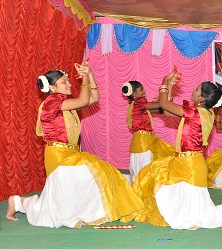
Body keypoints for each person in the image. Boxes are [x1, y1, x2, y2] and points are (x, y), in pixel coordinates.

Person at [5, 63, 143, 227]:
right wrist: (84, 77)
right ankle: (19, 202)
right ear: (51, 87)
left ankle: (18, 202)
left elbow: (93, 98)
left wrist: (90, 74)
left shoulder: (64, 103)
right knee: (87, 177)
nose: (69, 84)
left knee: (59, 203)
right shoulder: (51, 102)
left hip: (71, 154)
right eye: (64, 82)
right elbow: (84, 100)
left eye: (68, 81)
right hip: (58, 155)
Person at [133, 70, 222, 229]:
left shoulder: (195, 113)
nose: (193, 90)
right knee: (163, 184)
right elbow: (167, 111)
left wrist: (165, 82)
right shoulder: (203, 112)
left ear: (201, 99)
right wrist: (170, 87)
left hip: (190, 166)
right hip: (186, 162)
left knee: (198, 215)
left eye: (197, 89)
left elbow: (163, 104)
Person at [122, 80, 174, 183]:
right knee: (145, 174)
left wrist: (170, 86)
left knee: (140, 175)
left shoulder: (135, 106)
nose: (144, 92)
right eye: (141, 90)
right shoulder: (138, 103)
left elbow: (162, 109)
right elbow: (163, 104)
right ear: (134, 94)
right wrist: (166, 85)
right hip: (143, 143)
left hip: (141, 142)